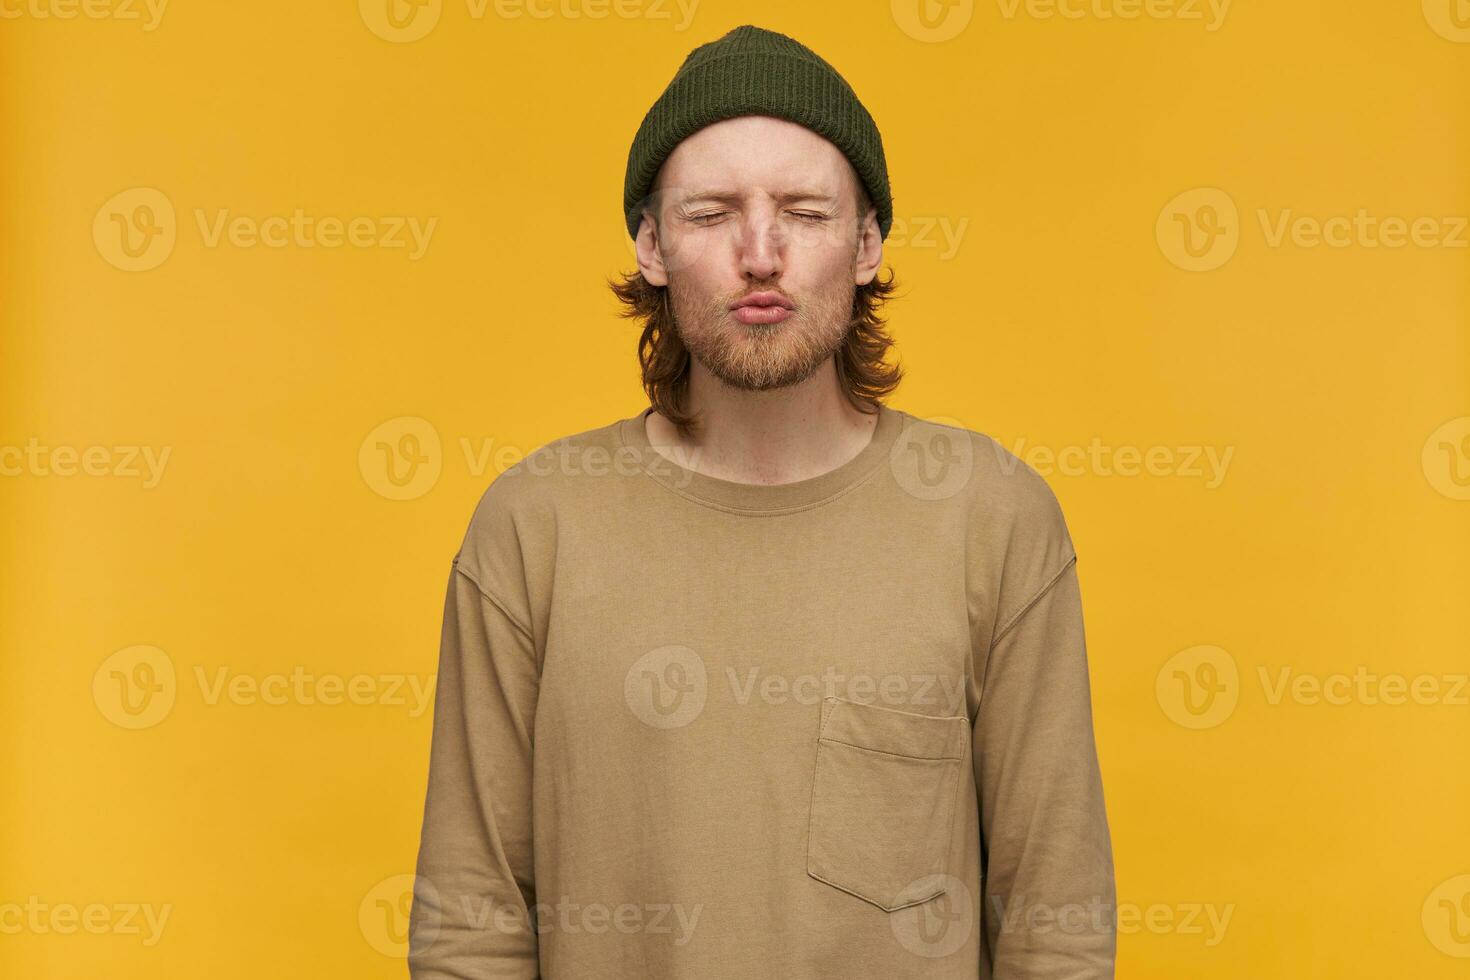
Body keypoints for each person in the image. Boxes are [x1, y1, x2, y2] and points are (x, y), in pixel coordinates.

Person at [408, 23, 1116, 980]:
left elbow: (1055, 928)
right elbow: (471, 928)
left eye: (804, 212)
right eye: (710, 214)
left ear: (867, 243)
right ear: (651, 245)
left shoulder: (991, 522)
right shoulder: (535, 527)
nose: (760, 252)